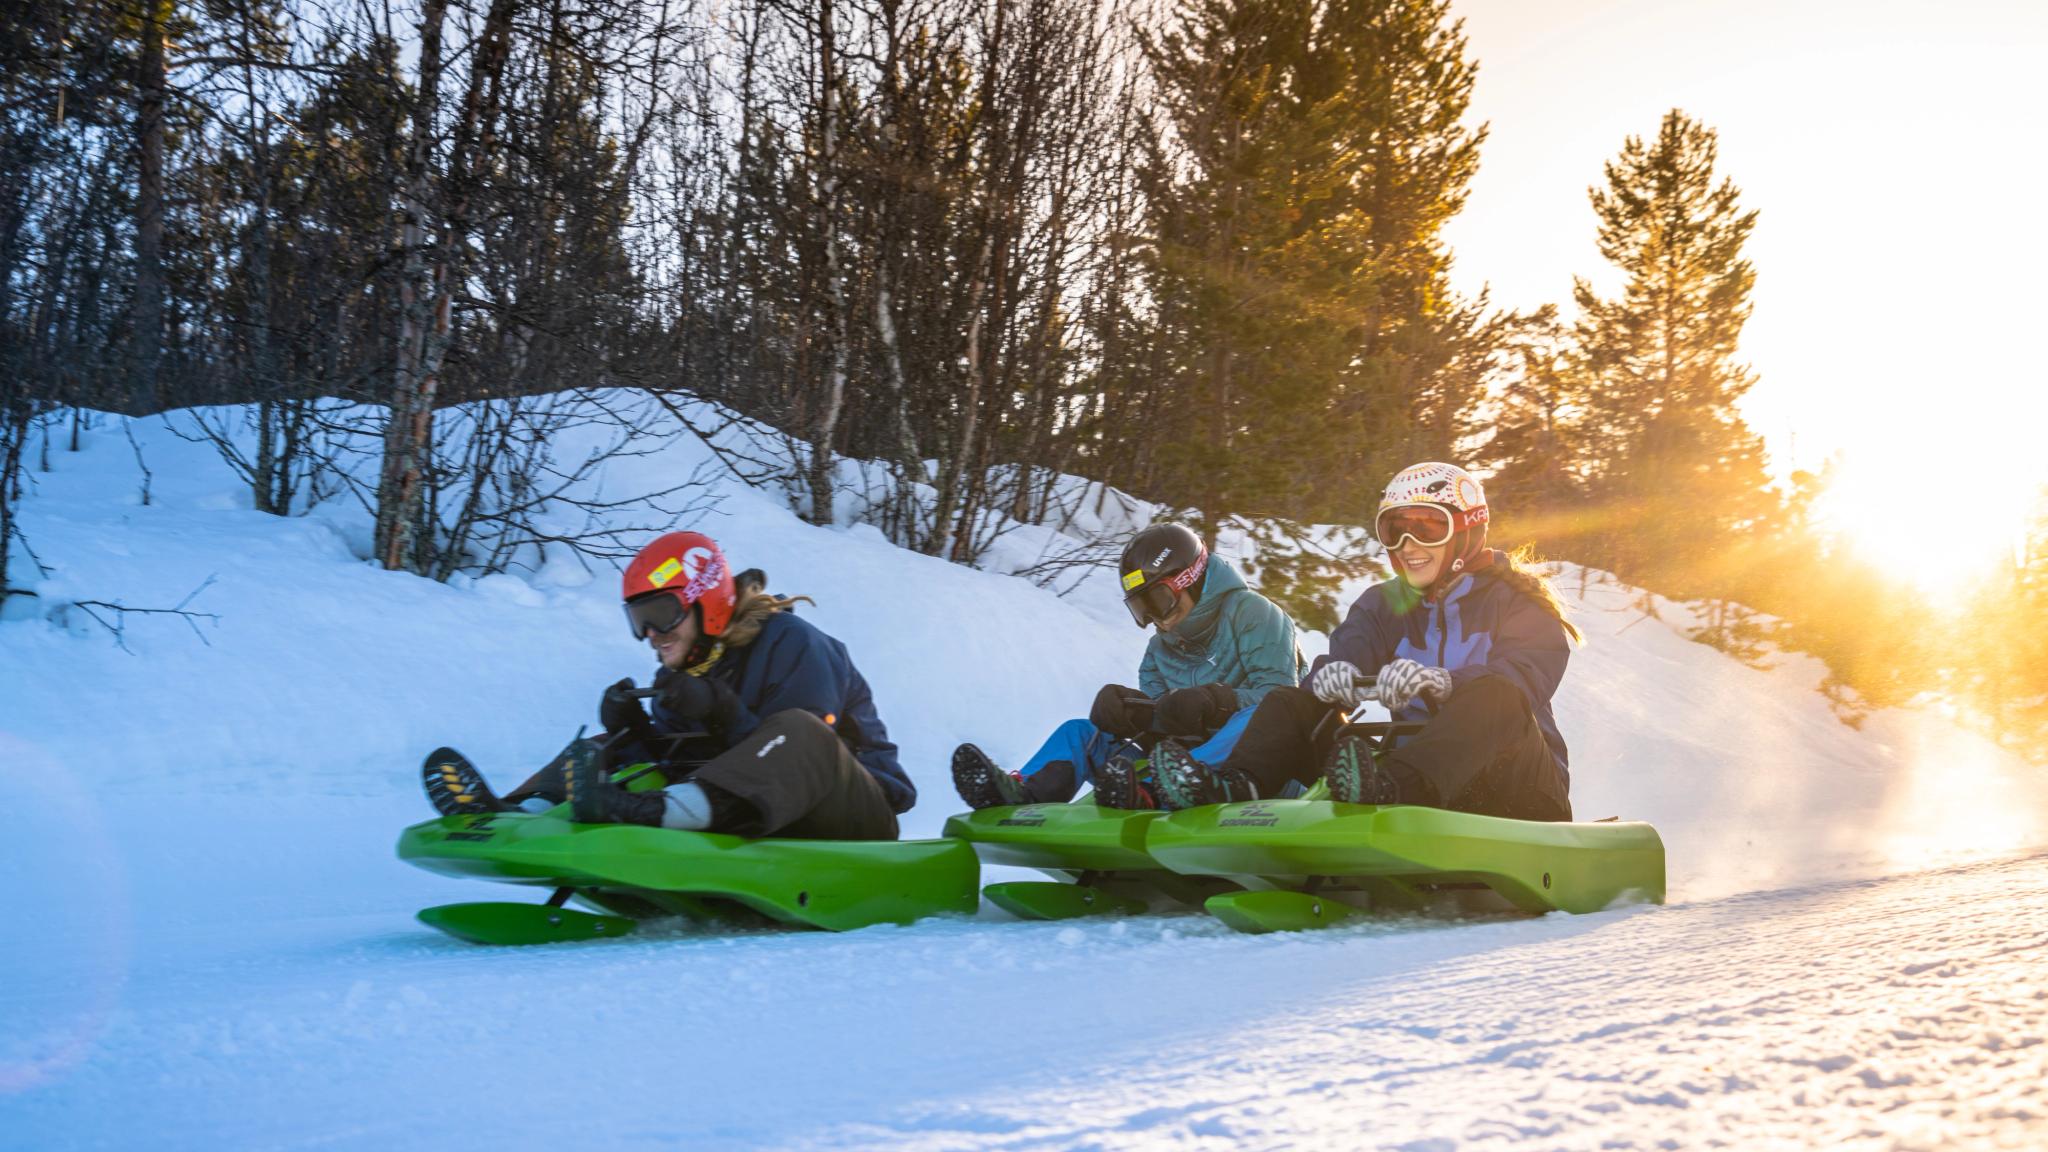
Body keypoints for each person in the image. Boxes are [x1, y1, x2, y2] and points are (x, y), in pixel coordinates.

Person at [1149, 462, 1582, 822]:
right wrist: (1331, 680)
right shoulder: (1384, 603)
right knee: (1292, 701)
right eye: (1394, 531)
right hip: (1406, 780)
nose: (1407, 545)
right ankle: (1231, 787)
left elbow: (1525, 679)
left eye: (1427, 528)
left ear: (1467, 531)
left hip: (1514, 790)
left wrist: (1443, 682)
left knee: (1497, 696)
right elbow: (1343, 658)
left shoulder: (1519, 601)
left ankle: (1391, 792)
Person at [422, 531, 912, 840]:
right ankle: (516, 813)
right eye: (639, 621)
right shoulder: (682, 673)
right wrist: (635, 731)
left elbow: (799, 763)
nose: (652, 636)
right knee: (605, 744)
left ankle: (639, 814)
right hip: (751, 810)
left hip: (852, 814)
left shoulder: (795, 645)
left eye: (660, 616)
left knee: (800, 731)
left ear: (705, 602)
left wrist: (720, 710)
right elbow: (682, 763)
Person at [951, 523, 1304, 810]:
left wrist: (1216, 701)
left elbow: (1281, 702)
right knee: (1080, 732)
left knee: (1255, 715)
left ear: (1189, 579)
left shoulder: (1253, 613)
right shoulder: (1157, 654)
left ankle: (1152, 789)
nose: (1155, 619)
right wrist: (1138, 714)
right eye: (1141, 608)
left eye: (1158, 601)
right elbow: (1166, 733)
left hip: (1261, 771)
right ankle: (1024, 793)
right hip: (1178, 773)